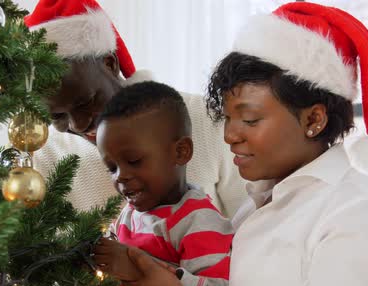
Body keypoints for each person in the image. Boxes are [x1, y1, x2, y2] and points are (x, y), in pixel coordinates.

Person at [99, 3, 368, 286]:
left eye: (250, 119)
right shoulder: (254, 210)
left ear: (314, 119)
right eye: (228, 119)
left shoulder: (364, 217)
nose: (230, 135)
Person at [23, 0, 247, 218]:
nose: (78, 124)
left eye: (85, 102)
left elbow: (252, 227)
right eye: (57, 116)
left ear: (110, 64)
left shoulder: (205, 118)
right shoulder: (40, 160)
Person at [93, 81, 233, 286]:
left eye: (134, 161)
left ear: (181, 152)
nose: (120, 176)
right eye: (112, 167)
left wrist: (135, 266)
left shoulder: (197, 221)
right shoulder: (129, 214)